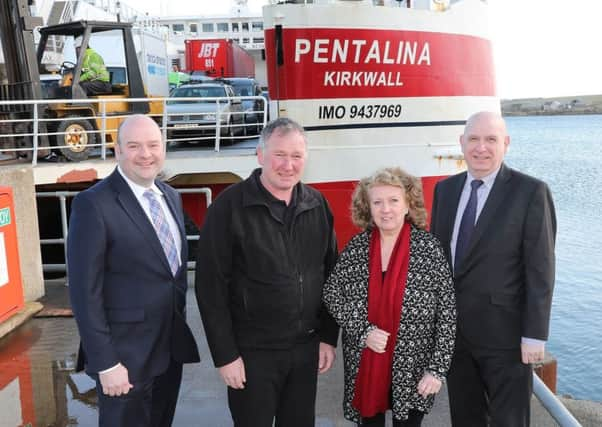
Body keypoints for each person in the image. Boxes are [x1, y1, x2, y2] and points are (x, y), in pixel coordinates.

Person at [195, 117, 339, 427]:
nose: (288, 165)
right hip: (251, 355)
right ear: (260, 155)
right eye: (280, 155)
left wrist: (328, 337)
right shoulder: (228, 208)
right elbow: (210, 288)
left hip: (304, 350)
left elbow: (331, 277)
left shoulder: (317, 205)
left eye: (297, 156)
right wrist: (225, 356)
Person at [67, 114, 200, 427]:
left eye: (153, 145)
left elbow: (172, 277)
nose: (146, 154)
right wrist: (105, 362)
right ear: (118, 151)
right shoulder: (93, 204)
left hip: (168, 352)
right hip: (124, 359)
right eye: (135, 146)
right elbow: (85, 293)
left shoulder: (171, 197)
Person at [430, 111, 557, 427]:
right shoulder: (444, 191)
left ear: (506, 144)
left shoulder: (531, 193)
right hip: (457, 337)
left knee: (509, 420)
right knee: (466, 417)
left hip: (507, 338)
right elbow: (438, 264)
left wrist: (534, 334)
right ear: (462, 143)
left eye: (491, 139)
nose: (481, 148)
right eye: (473, 139)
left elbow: (540, 269)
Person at [322, 167, 456, 427]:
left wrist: (437, 369)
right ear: (368, 208)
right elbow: (331, 293)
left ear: (408, 205)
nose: (386, 209)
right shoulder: (357, 248)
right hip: (366, 366)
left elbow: (447, 314)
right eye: (377, 202)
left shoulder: (429, 250)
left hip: (413, 369)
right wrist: (362, 330)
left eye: (394, 201)